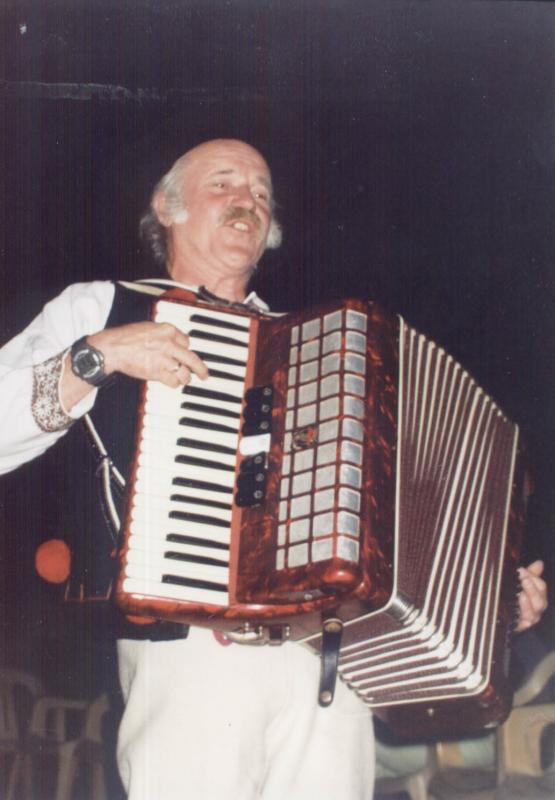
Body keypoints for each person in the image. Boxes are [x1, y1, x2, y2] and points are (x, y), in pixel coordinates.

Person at [0, 138, 548, 799]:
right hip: (190, 650)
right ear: (166, 207)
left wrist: (485, 603)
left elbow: (397, 519)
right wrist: (97, 356)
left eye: (261, 192)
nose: (247, 201)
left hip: (329, 663)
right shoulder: (102, 306)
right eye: (223, 183)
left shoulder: (322, 352)